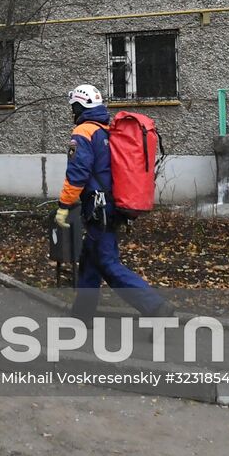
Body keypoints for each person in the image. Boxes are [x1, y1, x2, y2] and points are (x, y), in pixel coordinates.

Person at [54, 83, 171, 320]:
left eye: (73, 107)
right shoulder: (107, 129)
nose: (72, 112)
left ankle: (156, 307)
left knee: (107, 262)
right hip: (113, 204)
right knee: (91, 258)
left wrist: (64, 206)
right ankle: (82, 314)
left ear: (79, 106)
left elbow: (77, 174)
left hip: (99, 208)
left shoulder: (84, 132)